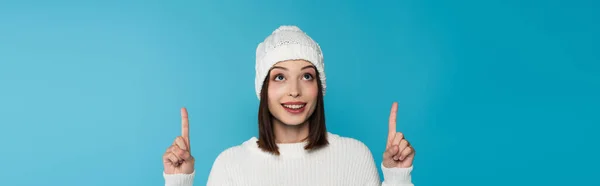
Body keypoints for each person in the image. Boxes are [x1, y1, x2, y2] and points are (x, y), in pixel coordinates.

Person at [161, 25, 416, 186]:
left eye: (307, 76)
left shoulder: (354, 156)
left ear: (319, 87)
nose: (295, 91)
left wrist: (397, 178)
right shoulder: (231, 165)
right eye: (280, 77)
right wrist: (178, 182)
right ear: (264, 89)